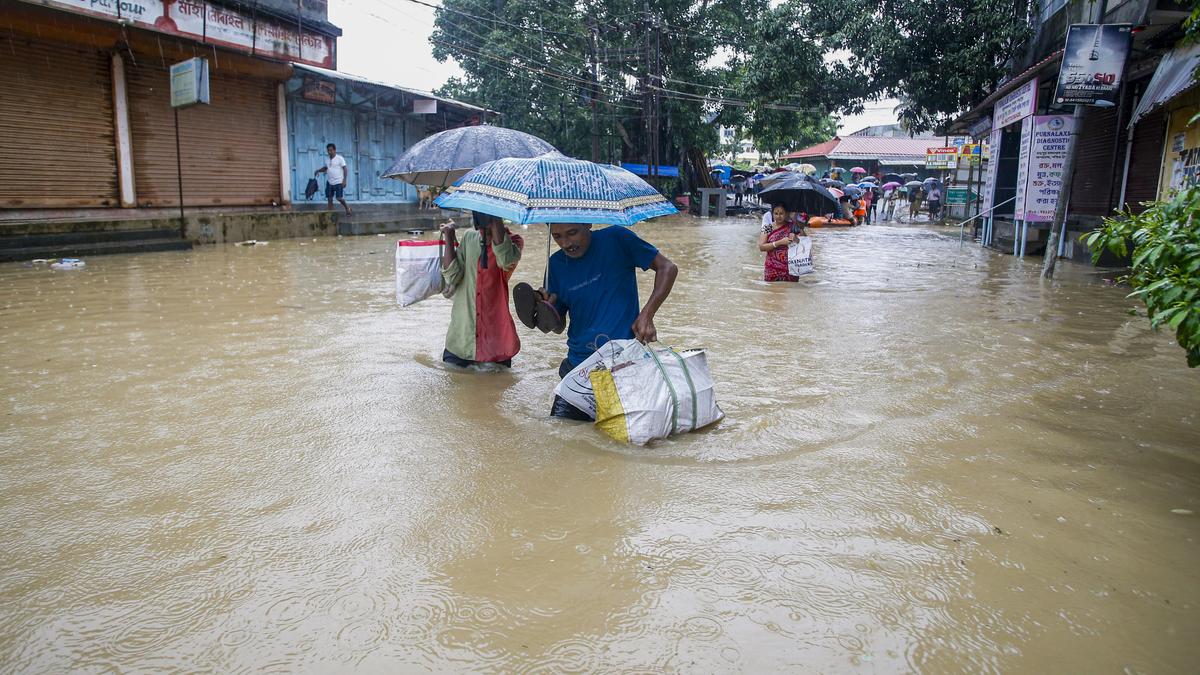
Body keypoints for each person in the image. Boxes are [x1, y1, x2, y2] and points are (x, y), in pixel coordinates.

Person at [521, 223, 678, 420]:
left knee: (627, 439)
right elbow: (559, 326)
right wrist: (546, 309)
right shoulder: (555, 265)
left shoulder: (617, 239)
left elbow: (667, 268)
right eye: (557, 236)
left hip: (624, 364)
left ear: (587, 223)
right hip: (578, 367)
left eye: (572, 233)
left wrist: (647, 314)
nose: (566, 243)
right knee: (561, 433)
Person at [439, 213, 524, 368]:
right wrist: (449, 238)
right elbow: (452, 277)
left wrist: (494, 223)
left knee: (493, 389)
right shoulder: (469, 238)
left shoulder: (514, 242)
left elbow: (505, 260)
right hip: (461, 341)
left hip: (496, 344)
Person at [758, 204, 807, 282]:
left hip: (790, 269)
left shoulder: (793, 226)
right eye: (776, 213)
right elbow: (761, 247)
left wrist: (796, 238)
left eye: (781, 213)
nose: (778, 216)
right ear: (772, 214)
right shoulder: (767, 227)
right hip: (772, 269)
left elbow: (804, 243)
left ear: (786, 214)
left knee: (790, 291)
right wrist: (779, 242)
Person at [314, 143, 353, 215]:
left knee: (339, 198)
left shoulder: (340, 158)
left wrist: (344, 180)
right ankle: (330, 212)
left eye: (331, 150)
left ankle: (347, 208)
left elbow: (345, 169)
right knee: (329, 198)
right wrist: (318, 170)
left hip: (338, 182)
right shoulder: (327, 160)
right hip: (329, 182)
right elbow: (326, 168)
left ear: (335, 150)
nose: (329, 152)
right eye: (328, 150)